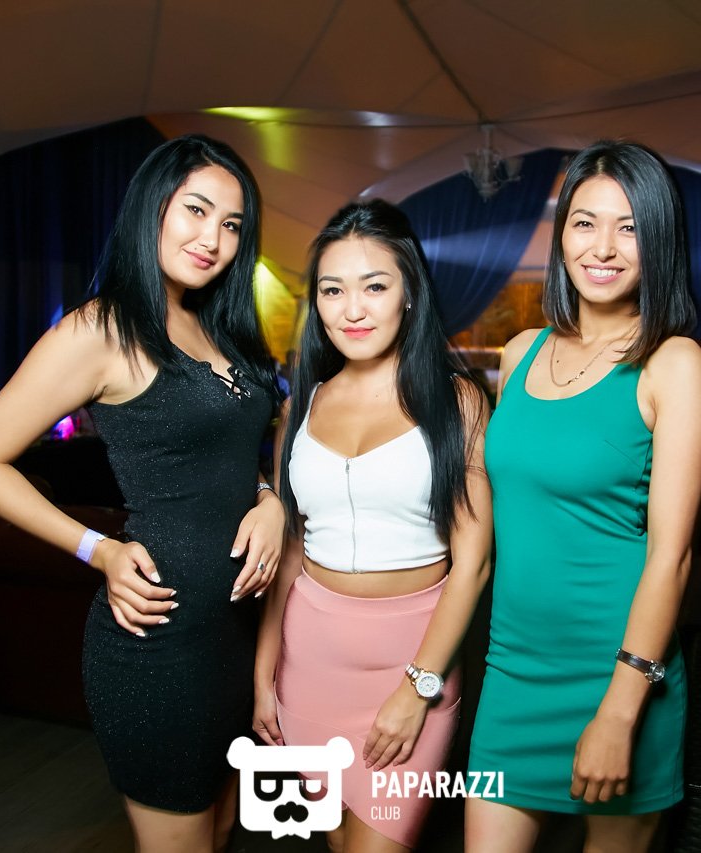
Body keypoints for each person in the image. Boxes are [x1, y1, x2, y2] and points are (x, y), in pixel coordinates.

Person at [0, 134, 285, 853]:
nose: (212, 238)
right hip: (157, 643)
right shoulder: (100, 329)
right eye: (196, 210)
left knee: (223, 829)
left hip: (234, 635)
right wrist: (95, 549)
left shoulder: (216, 326)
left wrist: (269, 498)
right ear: (151, 207)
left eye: (232, 224)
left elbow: (230, 453)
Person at [465, 140, 701, 853]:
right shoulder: (519, 353)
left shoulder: (673, 363)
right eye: (584, 222)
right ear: (561, 234)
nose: (602, 247)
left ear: (658, 239)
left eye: (629, 227)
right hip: (512, 673)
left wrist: (620, 712)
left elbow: (671, 557)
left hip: (619, 674)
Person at [253, 200, 493, 851]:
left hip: (413, 663)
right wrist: (264, 671)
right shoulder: (302, 404)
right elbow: (292, 549)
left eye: (374, 286)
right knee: (336, 842)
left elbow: (473, 562)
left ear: (408, 293)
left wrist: (420, 687)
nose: (352, 309)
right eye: (332, 290)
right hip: (309, 663)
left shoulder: (458, 403)